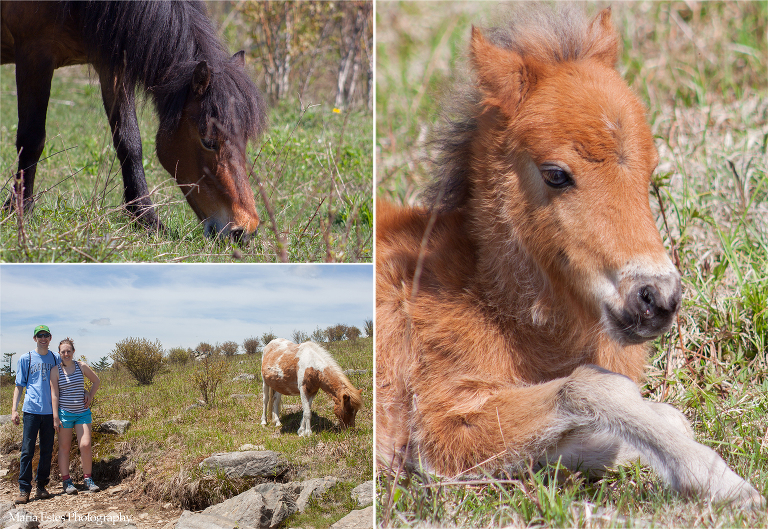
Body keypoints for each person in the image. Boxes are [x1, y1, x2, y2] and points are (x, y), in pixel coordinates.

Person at [11, 325, 61, 504]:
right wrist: (14, 410)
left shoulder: (56, 358)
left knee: (47, 450)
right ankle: (24, 489)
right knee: (27, 451)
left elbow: (64, 379)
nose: (43, 338)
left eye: (46, 335)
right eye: (39, 335)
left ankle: (41, 486)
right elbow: (19, 385)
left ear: (50, 337)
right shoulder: (27, 358)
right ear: (35, 339)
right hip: (31, 411)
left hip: (50, 413)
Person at [51, 338, 101, 494]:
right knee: (64, 448)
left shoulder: (81, 366)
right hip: (64, 414)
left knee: (85, 445)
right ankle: (67, 481)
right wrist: (55, 416)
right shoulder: (55, 371)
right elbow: (54, 395)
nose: (66, 354)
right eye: (63, 352)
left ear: (73, 351)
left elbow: (96, 381)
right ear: (59, 353)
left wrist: (90, 396)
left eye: (69, 351)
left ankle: (88, 479)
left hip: (82, 413)